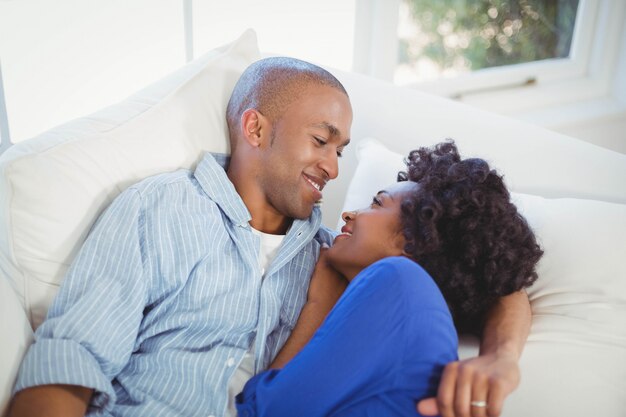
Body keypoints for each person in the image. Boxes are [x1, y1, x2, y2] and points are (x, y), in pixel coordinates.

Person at [9, 58, 530, 417]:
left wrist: (500, 358)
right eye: (321, 140)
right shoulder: (161, 208)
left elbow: (496, 281)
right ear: (255, 130)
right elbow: (71, 361)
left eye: (341, 151)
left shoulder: (339, 258)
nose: (332, 167)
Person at [235, 141, 543, 417]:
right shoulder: (420, 317)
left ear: (414, 241)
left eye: (377, 203)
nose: (348, 215)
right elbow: (508, 294)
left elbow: (261, 409)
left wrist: (319, 307)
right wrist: (502, 356)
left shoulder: (399, 279)